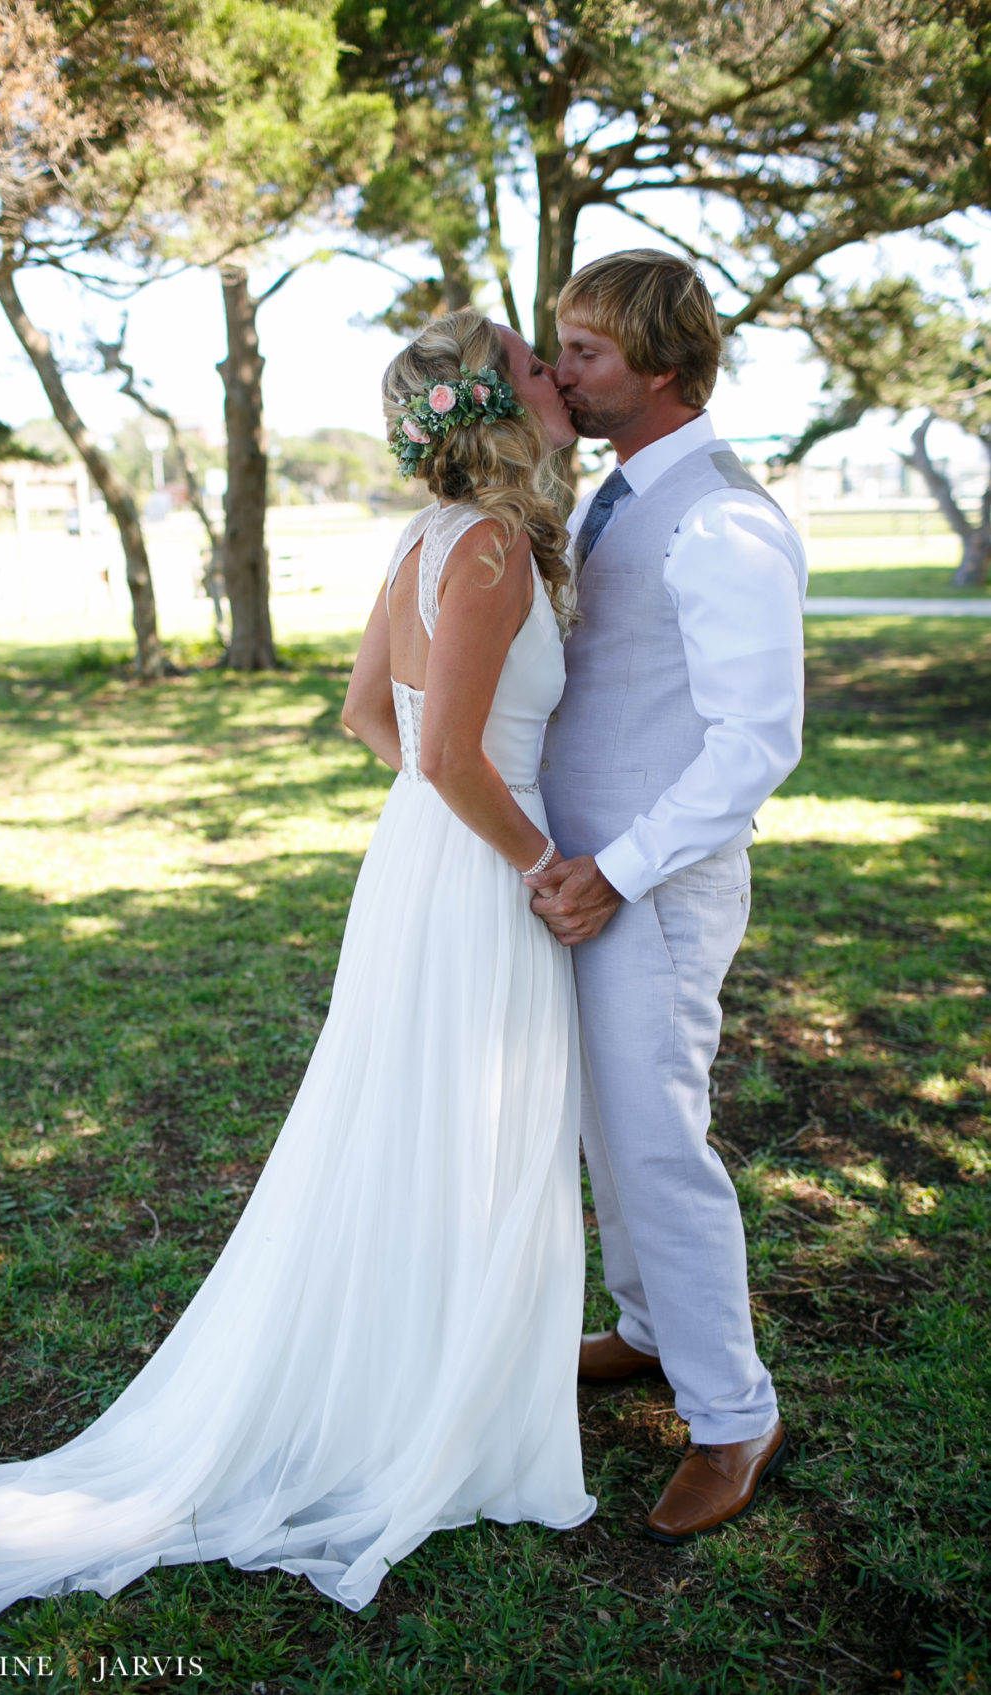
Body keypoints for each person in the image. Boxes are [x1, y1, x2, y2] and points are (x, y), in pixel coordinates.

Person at [0, 310, 595, 1629]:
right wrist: (541, 863)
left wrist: (452, 828)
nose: (555, 379)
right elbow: (442, 753)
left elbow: (374, 716)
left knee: (418, 1133)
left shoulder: (423, 539)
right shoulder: (486, 544)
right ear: (492, 405)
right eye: (537, 368)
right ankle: (447, 1422)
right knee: (475, 1133)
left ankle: (424, 1385)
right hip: (484, 878)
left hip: (424, 870)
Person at [529, 250, 806, 1545]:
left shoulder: (723, 519)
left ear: (656, 364)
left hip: (657, 882)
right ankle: (645, 1328)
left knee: (655, 1139)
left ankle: (732, 1411)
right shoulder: (612, 497)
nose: (557, 371)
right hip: (587, 878)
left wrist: (616, 870)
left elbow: (752, 744)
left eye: (580, 351)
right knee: (606, 1126)